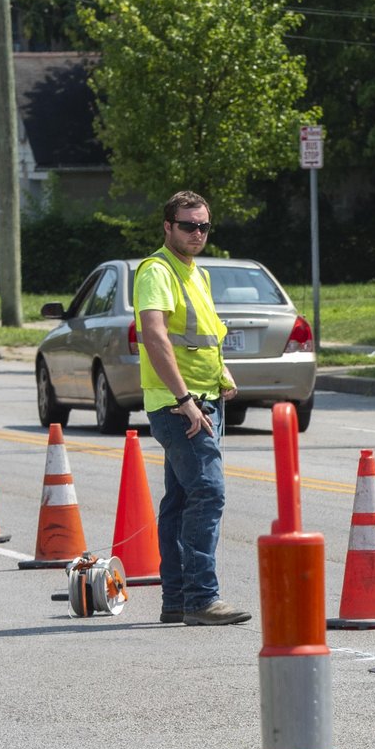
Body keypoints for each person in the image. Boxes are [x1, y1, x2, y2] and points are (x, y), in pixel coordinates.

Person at [135, 191, 249, 627]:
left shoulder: (194, 273)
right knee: (208, 492)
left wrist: (221, 376)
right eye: (187, 225)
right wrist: (184, 399)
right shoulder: (157, 271)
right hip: (179, 405)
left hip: (203, 399)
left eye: (203, 226)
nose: (196, 233)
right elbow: (156, 336)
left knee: (182, 499)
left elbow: (201, 336)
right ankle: (202, 598)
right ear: (167, 227)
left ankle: (179, 599)